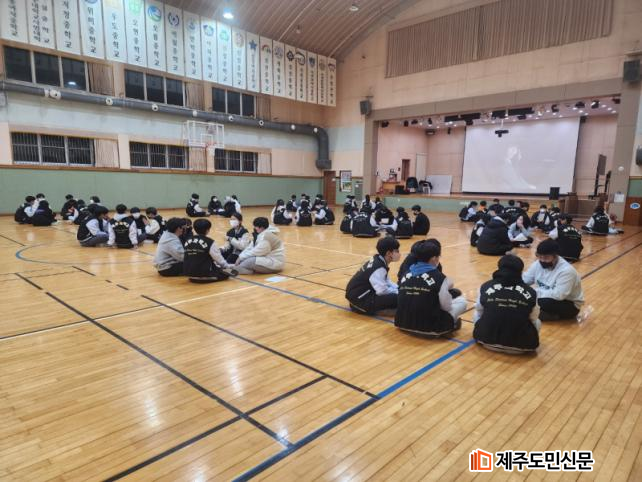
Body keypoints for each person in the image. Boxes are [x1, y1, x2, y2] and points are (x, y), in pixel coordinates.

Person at [395, 240, 467, 336]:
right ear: (433, 258)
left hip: (401, 322)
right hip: (429, 327)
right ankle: (450, 323)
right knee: (462, 302)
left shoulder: (406, 273)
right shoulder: (440, 278)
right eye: (438, 257)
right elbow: (446, 307)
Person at [473, 255, 540, 354]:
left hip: (485, 341)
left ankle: (485, 333)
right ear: (521, 271)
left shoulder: (485, 286)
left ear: (499, 268)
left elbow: (479, 310)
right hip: (523, 347)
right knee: (537, 321)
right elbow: (533, 318)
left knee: (477, 313)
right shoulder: (531, 292)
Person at [522, 239, 584, 321]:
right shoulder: (538, 263)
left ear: (555, 256)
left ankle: (543, 314)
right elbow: (526, 279)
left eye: (546, 257)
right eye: (539, 256)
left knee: (542, 302)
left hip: (569, 304)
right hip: (545, 297)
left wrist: (532, 293)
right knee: (524, 297)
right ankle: (538, 314)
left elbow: (559, 295)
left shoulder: (567, 271)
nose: (542, 260)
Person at [345, 236, 400, 315]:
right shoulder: (378, 267)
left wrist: (399, 288)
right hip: (360, 301)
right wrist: (399, 293)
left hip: (358, 296)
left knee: (399, 294)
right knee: (397, 298)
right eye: (396, 251)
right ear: (388, 253)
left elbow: (386, 281)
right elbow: (382, 291)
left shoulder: (378, 259)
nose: (399, 253)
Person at [183, 219, 231, 283]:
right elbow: (219, 260)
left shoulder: (187, 240)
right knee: (227, 272)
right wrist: (227, 267)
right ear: (207, 230)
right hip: (204, 274)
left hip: (189, 275)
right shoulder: (210, 242)